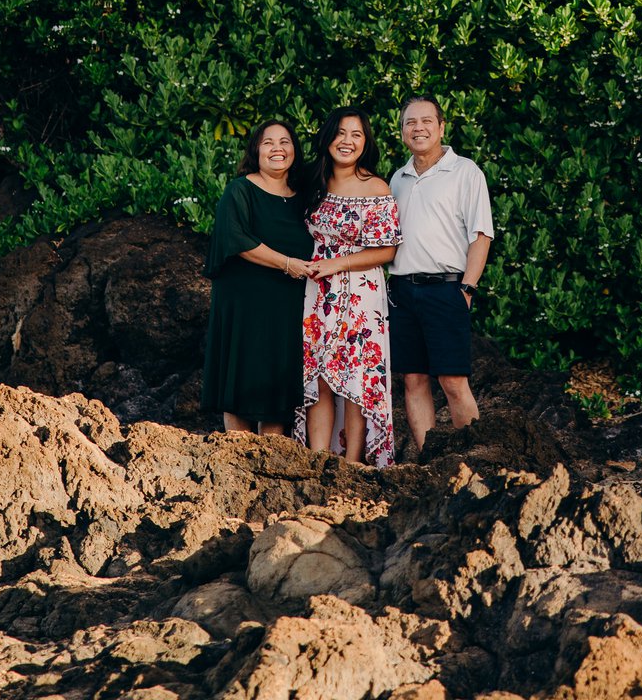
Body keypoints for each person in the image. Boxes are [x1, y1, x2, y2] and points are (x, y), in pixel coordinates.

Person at [294, 107, 402, 466]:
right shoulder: (311, 182)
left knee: (355, 378)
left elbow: (387, 249)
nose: (347, 141)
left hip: (360, 293)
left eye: (356, 134)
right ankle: (318, 458)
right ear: (327, 138)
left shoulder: (376, 186)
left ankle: (352, 464)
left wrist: (336, 264)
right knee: (319, 375)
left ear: (365, 141)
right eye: (340, 133)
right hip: (316, 294)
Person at [389, 94, 494, 452]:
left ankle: (477, 458)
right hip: (401, 291)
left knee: (452, 380)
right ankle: (428, 462)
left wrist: (467, 289)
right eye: (410, 123)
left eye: (426, 121)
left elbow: (480, 235)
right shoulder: (397, 179)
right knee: (413, 379)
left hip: (447, 288)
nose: (418, 128)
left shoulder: (465, 172)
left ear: (441, 126)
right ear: (402, 131)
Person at [202, 120, 316, 437]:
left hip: (286, 305)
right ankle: (236, 458)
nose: (277, 148)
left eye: (285, 142)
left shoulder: (304, 197)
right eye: (268, 142)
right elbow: (236, 239)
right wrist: (287, 263)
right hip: (244, 302)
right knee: (241, 381)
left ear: (295, 150)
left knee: (277, 384)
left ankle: (270, 460)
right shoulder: (240, 190)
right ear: (256, 149)